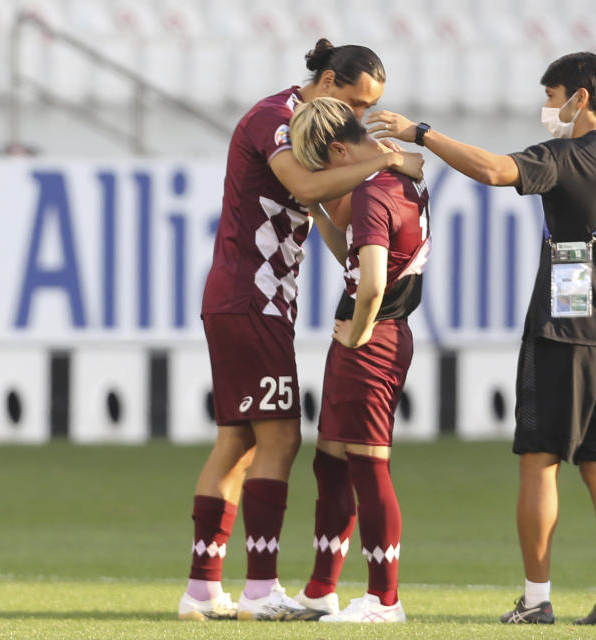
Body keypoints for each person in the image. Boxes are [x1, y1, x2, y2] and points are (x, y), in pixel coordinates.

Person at [367, 51, 596, 626]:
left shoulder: (567, 155)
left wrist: (422, 134)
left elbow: (494, 170)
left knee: (538, 462)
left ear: (579, 99)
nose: (546, 108)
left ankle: (535, 599)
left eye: (552, 97)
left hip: (560, 334)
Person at [177, 39, 423, 622]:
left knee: (237, 440)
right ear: (330, 80)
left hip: (257, 300)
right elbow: (308, 189)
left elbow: (328, 207)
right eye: (358, 102)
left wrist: (379, 180)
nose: (361, 116)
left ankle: (203, 590)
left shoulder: (309, 129)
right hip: (251, 297)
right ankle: (260, 590)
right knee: (281, 438)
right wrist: (387, 161)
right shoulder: (276, 119)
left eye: (370, 109)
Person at [285, 97, 432, 623]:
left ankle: (383, 600)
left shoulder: (374, 192)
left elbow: (372, 284)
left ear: (340, 150)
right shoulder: (401, 179)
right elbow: (354, 253)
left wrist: (358, 335)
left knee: (368, 467)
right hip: (373, 336)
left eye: (323, 166)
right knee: (331, 462)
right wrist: (319, 212)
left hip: (372, 340)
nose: (325, 178)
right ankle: (322, 588)